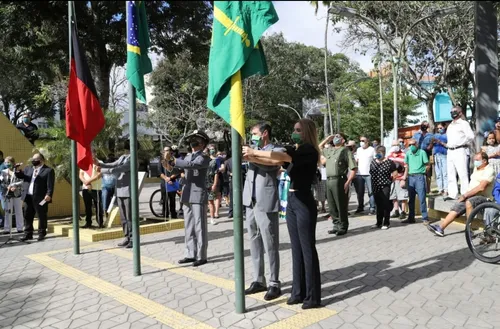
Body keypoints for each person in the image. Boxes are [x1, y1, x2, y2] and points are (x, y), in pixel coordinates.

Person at [243, 118, 322, 309]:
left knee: (307, 249)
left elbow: (281, 159)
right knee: (296, 249)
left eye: (298, 130)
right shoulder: (295, 148)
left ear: (307, 132)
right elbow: (274, 157)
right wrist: (253, 155)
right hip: (293, 201)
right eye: (294, 129)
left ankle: (312, 296)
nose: (294, 132)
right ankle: (298, 292)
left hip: (304, 201)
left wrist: (253, 152)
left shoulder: (308, 150)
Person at [242, 122, 283, 301]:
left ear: (265, 133)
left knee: (270, 242)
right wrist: (250, 154)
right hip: (250, 200)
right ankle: (258, 279)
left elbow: (272, 163)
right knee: (254, 241)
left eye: (255, 133)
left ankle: (274, 282)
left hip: (265, 201)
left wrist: (252, 157)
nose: (253, 136)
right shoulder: (252, 149)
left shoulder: (276, 148)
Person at [428, 152, 495, 237]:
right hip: (472, 196)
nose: (475, 162)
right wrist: (465, 196)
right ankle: (441, 228)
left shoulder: (489, 170)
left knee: (469, 202)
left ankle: (469, 230)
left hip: (484, 197)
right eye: (474, 160)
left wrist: (465, 195)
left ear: (484, 161)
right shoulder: (477, 168)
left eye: (477, 160)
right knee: (458, 206)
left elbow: (481, 187)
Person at [172, 130, 211, 267]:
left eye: (196, 140)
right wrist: (169, 163)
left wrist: (175, 161)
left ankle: (201, 255)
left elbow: (192, 165)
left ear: (202, 143)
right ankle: (190, 253)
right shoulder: (188, 156)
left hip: (198, 194)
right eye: (192, 140)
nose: (193, 142)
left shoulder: (204, 156)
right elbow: (180, 168)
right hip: (187, 193)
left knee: (199, 226)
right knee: (188, 225)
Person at [319, 133, 357, 236]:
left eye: (338, 137)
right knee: (331, 205)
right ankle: (335, 225)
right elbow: (319, 147)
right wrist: (327, 138)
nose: (336, 138)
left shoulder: (345, 151)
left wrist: (348, 181)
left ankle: (343, 226)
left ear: (343, 140)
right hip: (329, 180)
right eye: (335, 136)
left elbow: (353, 168)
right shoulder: (330, 150)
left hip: (339, 180)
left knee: (340, 204)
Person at [99, 142, 133, 248]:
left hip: (128, 190)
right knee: (123, 217)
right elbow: (113, 164)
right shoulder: (123, 157)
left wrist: (104, 170)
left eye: (126, 148)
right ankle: (126, 237)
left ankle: (133, 239)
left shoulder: (132, 159)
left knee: (129, 217)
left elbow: (120, 168)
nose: (125, 151)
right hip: (119, 190)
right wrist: (100, 164)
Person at [16, 153, 55, 241]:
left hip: (41, 198)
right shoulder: (28, 169)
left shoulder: (48, 170)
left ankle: (41, 233)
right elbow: (20, 176)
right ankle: (28, 234)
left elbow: (50, 184)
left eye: (35, 159)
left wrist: (49, 194)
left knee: (41, 215)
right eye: (33, 159)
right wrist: (17, 170)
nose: (33, 161)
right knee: (27, 215)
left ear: (41, 160)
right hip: (28, 196)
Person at [446, 106, 474, 199]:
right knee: (450, 173)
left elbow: (470, 136)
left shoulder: (464, 123)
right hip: (450, 151)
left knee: (462, 173)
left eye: (455, 111)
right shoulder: (450, 125)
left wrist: (461, 143)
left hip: (460, 150)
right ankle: (452, 194)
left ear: (460, 113)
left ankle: (464, 194)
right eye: (451, 112)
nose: (453, 113)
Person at [402, 139, 430, 224]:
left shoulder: (422, 152)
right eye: (409, 145)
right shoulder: (408, 153)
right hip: (411, 177)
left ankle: (425, 218)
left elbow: (428, 165)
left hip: (420, 177)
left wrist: (423, 172)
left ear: (417, 144)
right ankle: (411, 217)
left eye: (413, 144)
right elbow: (406, 165)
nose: (411, 146)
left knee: (422, 198)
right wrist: (404, 177)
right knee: (411, 199)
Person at [370, 146, 397, 229]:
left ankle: (386, 222)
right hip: (375, 186)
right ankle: (378, 222)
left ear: (384, 153)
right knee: (378, 205)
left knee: (385, 204)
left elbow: (395, 173)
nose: (378, 153)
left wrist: (389, 182)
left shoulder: (389, 162)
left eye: (380, 152)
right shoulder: (373, 162)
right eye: (377, 151)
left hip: (385, 186)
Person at [0, 157, 24, 234]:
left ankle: (20, 228)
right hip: (7, 194)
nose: (6, 164)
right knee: (8, 211)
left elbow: (22, 181)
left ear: (13, 163)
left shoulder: (17, 171)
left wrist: (15, 186)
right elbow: (2, 182)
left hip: (16, 193)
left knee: (18, 211)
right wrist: (7, 187)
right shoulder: (3, 172)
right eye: (5, 162)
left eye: (8, 162)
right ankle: (7, 229)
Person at [79, 153, 104, 228]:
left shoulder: (100, 162)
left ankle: (100, 222)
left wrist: (88, 181)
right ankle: (88, 222)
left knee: (98, 206)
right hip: (86, 188)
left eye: (92, 153)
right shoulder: (85, 163)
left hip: (96, 188)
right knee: (87, 206)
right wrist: (85, 182)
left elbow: (99, 175)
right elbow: (81, 174)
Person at [354, 136, 376, 214]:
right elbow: (356, 160)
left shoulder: (372, 150)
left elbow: (376, 160)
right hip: (359, 174)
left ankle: (372, 207)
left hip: (369, 174)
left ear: (367, 141)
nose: (361, 142)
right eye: (360, 140)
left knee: (371, 192)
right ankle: (360, 207)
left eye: (363, 140)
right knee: (360, 192)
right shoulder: (358, 150)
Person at [158, 146, 182, 219]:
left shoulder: (173, 161)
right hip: (164, 182)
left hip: (172, 182)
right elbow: (160, 172)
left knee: (172, 199)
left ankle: (173, 214)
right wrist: (166, 178)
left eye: (168, 150)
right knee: (165, 199)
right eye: (165, 150)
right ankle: (165, 214)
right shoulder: (161, 161)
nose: (166, 152)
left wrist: (170, 178)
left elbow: (178, 171)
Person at [387, 140, 408, 219]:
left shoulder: (404, 155)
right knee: (393, 195)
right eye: (393, 145)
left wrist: (404, 178)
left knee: (402, 196)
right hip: (392, 179)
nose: (394, 146)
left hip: (400, 178)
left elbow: (406, 167)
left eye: (396, 145)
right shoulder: (389, 156)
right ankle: (396, 210)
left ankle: (403, 211)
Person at [413, 121, 434, 193]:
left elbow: (432, 145)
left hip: (427, 154)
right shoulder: (416, 134)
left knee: (428, 173)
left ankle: (428, 189)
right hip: (417, 155)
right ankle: (418, 189)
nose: (425, 126)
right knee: (418, 172)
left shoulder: (430, 135)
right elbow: (412, 143)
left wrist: (430, 146)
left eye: (426, 125)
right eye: (423, 125)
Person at [429, 123, 448, 196]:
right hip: (436, 156)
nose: (439, 129)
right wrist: (432, 142)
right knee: (438, 174)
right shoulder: (435, 135)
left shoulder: (447, 135)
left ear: (444, 127)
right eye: (438, 128)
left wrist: (440, 142)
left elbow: (449, 145)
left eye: (441, 128)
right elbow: (430, 147)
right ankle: (440, 189)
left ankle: (446, 189)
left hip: (444, 155)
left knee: (445, 173)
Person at [207, 144, 222, 224]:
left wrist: (214, 184)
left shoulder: (215, 160)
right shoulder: (204, 160)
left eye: (213, 149)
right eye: (210, 149)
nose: (211, 150)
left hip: (211, 182)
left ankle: (212, 217)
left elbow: (216, 173)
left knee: (211, 201)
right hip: (203, 182)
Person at [101, 154, 117, 218]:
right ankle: (105, 212)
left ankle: (114, 212)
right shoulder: (104, 169)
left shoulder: (116, 169)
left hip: (115, 187)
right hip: (106, 187)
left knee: (115, 200)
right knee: (105, 197)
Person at [0, 150, 6, 228]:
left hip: (3, 189)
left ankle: (5, 223)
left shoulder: (4, 164)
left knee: (4, 207)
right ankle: (1, 222)